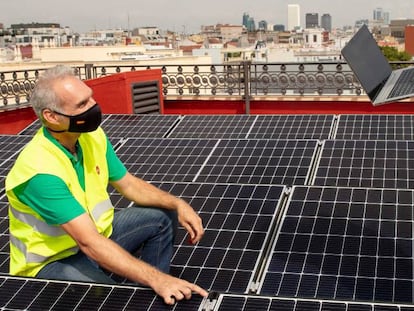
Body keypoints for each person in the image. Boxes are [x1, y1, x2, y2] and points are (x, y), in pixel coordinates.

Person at [5, 65, 208, 305]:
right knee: (113, 299)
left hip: (98, 238)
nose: (93, 106)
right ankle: (144, 290)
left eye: (90, 97)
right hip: (53, 261)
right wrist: (158, 279)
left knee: (162, 216)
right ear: (51, 116)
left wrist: (177, 202)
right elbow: (89, 242)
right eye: (82, 105)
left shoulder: (91, 136)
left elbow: (129, 185)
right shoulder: (39, 170)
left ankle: (148, 296)